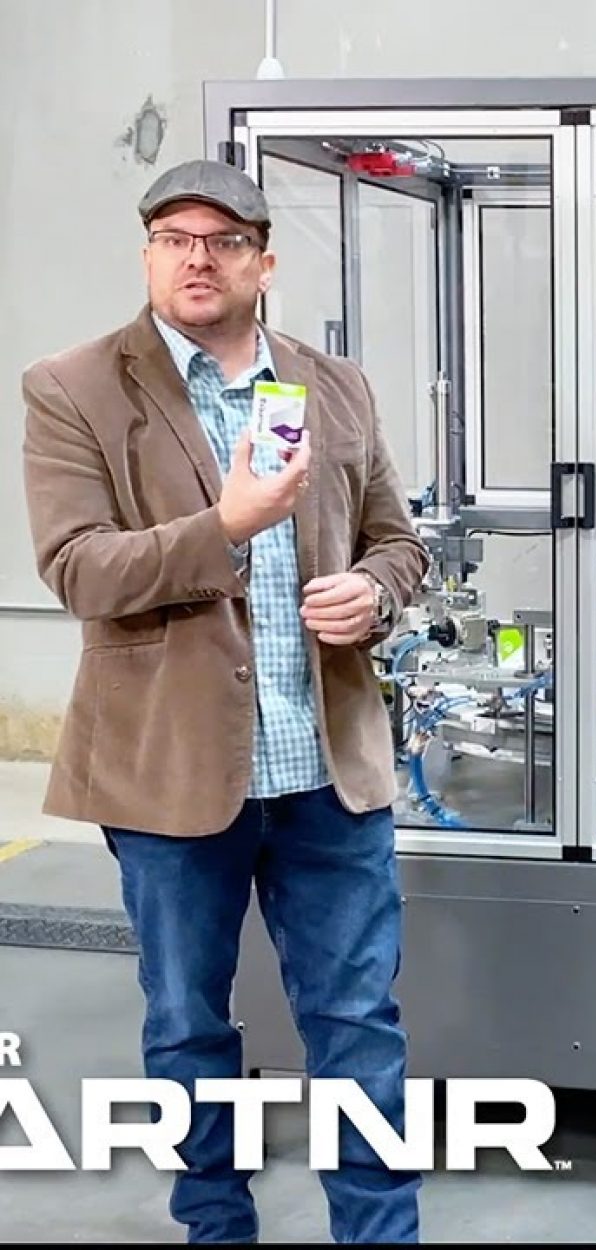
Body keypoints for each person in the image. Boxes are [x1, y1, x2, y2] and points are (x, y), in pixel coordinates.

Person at [21, 158, 430, 1244]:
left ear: (263, 261)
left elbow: (397, 541)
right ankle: (217, 1227)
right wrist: (229, 525)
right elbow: (78, 568)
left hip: (327, 769)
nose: (196, 259)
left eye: (222, 240)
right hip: (169, 776)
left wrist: (375, 591)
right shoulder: (73, 386)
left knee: (358, 1024)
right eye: (174, 239)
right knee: (189, 1025)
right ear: (148, 254)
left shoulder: (333, 384)